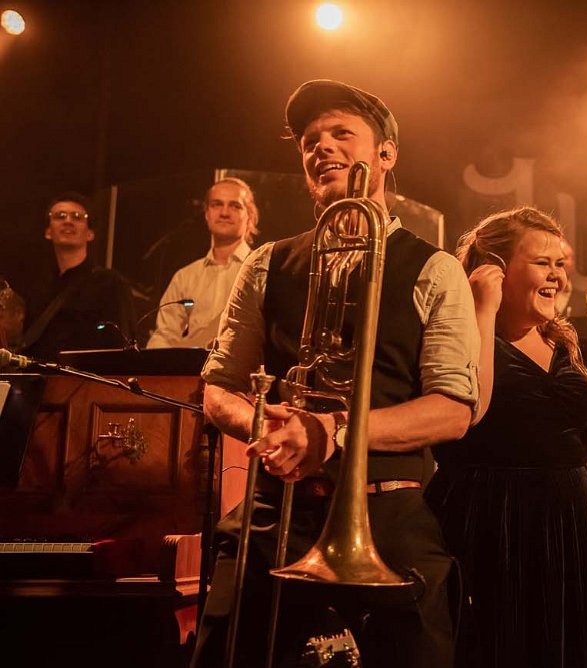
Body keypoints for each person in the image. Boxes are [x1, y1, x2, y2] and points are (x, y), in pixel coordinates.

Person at [191, 80, 480, 668]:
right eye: (309, 140)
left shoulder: (435, 267)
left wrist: (333, 431)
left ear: (386, 154)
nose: (320, 146)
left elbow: (453, 410)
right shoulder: (267, 262)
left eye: (341, 133)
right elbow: (218, 388)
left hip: (388, 510)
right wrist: (265, 427)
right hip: (281, 506)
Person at [425, 206, 587, 668]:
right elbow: (471, 408)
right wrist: (482, 308)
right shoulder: (460, 332)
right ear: (495, 269)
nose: (557, 277)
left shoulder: (561, 339)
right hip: (496, 518)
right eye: (542, 263)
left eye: (560, 264)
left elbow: (571, 435)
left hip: (571, 521)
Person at [15, 193, 135, 360]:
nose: (68, 221)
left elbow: (123, 348)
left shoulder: (110, 284)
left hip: (89, 375)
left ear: (90, 234)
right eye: (60, 216)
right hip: (41, 375)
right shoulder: (36, 288)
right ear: (48, 232)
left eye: (77, 217)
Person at [146, 177, 258, 349]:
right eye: (216, 204)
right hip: (191, 366)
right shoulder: (185, 277)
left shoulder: (261, 272)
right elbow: (165, 336)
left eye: (235, 206)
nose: (224, 213)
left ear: (250, 216)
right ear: (206, 214)